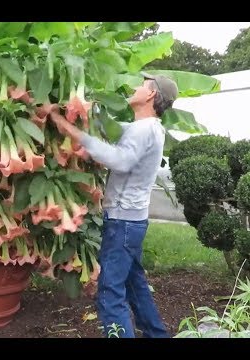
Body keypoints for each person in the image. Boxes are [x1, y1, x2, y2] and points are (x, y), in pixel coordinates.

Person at [46, 73, 178, 338]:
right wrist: (72, 111)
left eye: (142, 86)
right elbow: (110, 128)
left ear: (151, 95)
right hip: (131, 221)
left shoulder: (144, 129)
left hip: (123, 222)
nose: (135, 88)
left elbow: (120, 160)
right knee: (134, 284)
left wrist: (67, 127)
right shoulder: (145, 128)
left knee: (110, 291)